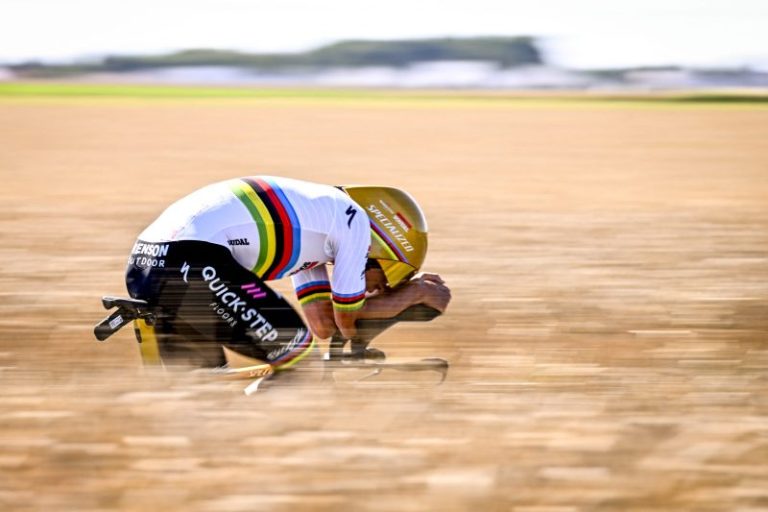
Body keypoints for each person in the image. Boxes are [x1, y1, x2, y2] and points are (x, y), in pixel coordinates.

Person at [125, 175, 451, 370]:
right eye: (388, 280)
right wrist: (415, 293)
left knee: (198, 390)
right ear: (380, 249)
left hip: (148, 262)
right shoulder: (354, 221)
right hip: (192, 261)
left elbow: (323, 323)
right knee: (297, 359)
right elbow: (346, 320)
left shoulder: (314, 230)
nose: (378, 291)